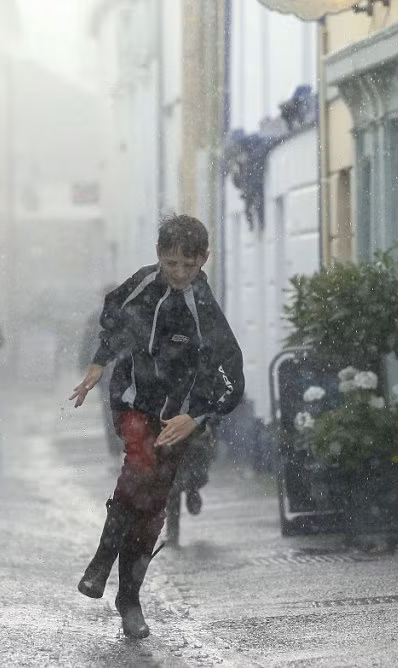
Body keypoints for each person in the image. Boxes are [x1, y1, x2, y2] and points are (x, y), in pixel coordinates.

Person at [70, 214, 245, 639]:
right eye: (171, 264)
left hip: (177, 418)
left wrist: (196, 417)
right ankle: (101, 560)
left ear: (204, 259)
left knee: (151, 509)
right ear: (158, 256)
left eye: (188, 265)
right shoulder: (144, 284)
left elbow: (229, 374)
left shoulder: (205, 309)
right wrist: (98, 364)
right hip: (133, 403)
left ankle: (129, 599)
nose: (179, 273)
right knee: (139, 468)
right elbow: (115, 319)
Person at [79, 286, 124, 457]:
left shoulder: (96, 315)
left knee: (109, 408)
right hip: (123, 368)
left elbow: (87, 342)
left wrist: (84, 364)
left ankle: (115, 448)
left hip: (103, 369)